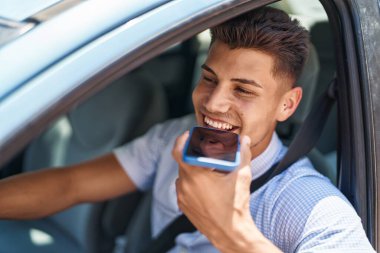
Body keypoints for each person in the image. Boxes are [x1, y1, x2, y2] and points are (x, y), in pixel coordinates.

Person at [0, 6, 375, 253]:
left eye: (243, 90)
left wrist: (227, 229)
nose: (212, 104)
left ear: (287, 104)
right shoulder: (174, 138)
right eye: (209, 78)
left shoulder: (305, 203)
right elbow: (70, 185)